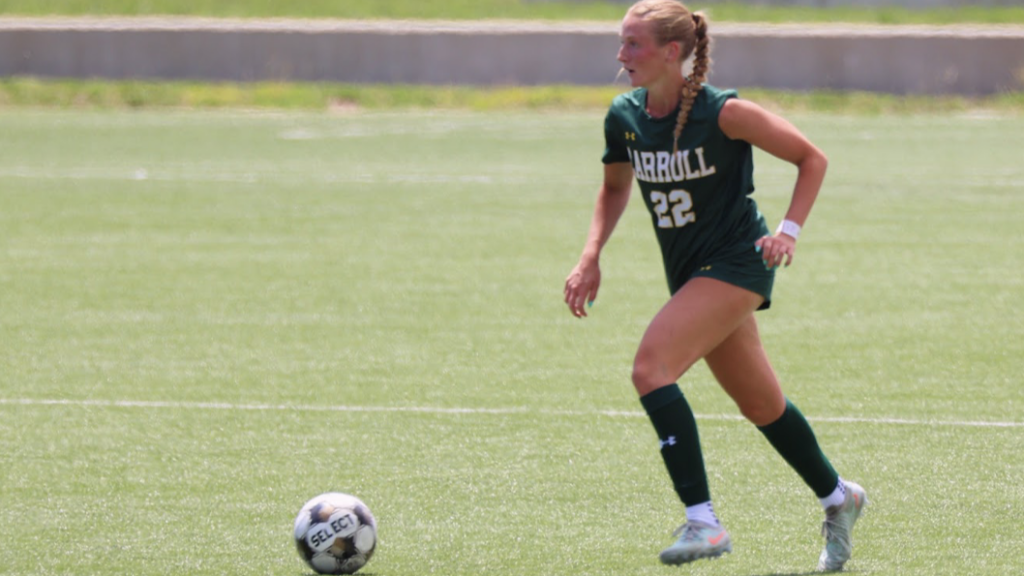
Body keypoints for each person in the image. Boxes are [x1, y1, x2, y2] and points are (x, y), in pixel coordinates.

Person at [563, 0, 866, 571]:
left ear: (672, 52)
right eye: (622, 41)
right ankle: (838, 498)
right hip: (689, 274)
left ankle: (703, 521)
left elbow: (812, 158)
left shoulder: (724, 112)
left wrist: (788, 232)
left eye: (633, 43)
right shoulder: (624, 115)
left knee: (650, 369)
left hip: (737, 264)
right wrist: (591, 255)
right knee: (761, 404)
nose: (621, 54)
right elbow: (614, 187)